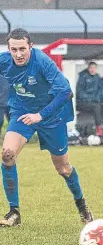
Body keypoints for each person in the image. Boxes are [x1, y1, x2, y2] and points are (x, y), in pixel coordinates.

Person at [0, 28, 94, 226]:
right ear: (9, 49)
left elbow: (66, 93)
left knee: (63, 168)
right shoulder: (5, 60)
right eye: (14, 49)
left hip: (52, 116)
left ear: (30, 47)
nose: (18, 54)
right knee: (7, 154)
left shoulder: (42, 61)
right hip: (22, 112)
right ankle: (14, 212)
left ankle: (81, 204)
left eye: (22, 49)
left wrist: (40, 115)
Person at [75, 61, 103, 136]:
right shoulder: (83, 76)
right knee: (96, 107)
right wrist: (90, 99)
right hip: (83, 102)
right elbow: (79, 92)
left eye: (94, 68)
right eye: (91, 68)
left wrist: (96, 99)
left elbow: (100, 91)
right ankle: (98, 128)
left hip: (94, 102)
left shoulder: (97, 77)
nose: (92, 70)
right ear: (88, 68)